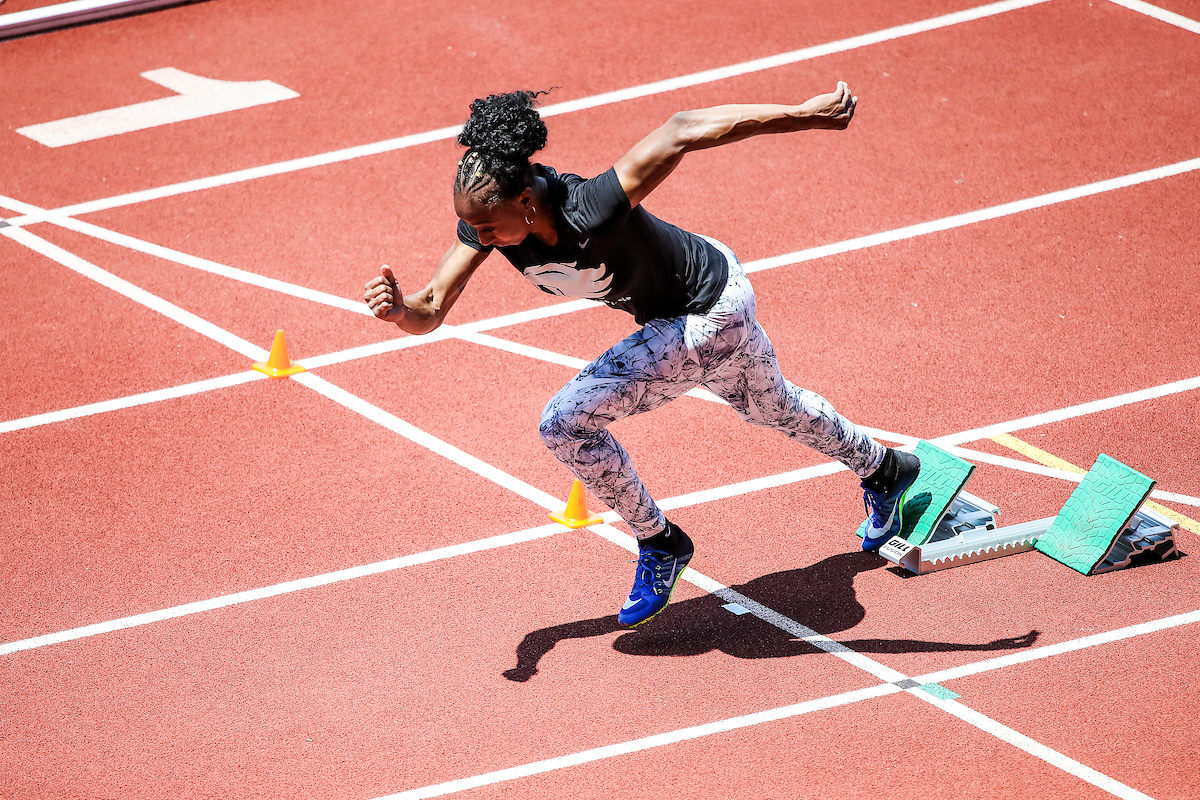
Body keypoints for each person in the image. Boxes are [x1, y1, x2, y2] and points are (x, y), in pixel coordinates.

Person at [363, 83, 920, 628]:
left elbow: (682, 130)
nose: (480, 236)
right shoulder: (490, 225)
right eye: (474, 228)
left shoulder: (589, 208)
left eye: (487, 225)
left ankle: (660, 542)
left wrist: (802, 115)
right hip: (690, 308)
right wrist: (399, 312)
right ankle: (887, 468)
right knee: (774, 408)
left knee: (564, 424)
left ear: (527, 201)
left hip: (709, 310)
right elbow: (431, 307)